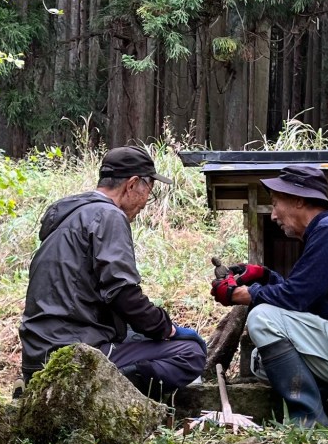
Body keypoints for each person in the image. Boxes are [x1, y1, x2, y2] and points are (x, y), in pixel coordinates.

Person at [210, 165, 328, 426]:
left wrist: (242, 294)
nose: (273, 215)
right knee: (262, 363)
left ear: (299, 200)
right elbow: (304, 299)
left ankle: (308, 420)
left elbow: (296, 298)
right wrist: (264, 276)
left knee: (262, 318)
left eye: (276, 204)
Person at [19, 146, 207, 400]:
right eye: (149, 190)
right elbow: (123, 294)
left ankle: (46, 384)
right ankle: (89, 392)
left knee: (136, 335)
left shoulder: (70, 214)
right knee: (190, 352)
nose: (145, 202)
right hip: (74, 350)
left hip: (39, 351)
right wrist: (168, 329)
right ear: (132, 184)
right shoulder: (109, 216)